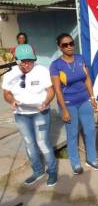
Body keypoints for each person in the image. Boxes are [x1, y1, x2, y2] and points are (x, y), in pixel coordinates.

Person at [2, 44, 58, 186]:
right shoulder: (10, 74)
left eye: (30, 61)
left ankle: (52, 172)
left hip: (40, 112)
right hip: (21, 115)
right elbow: (6, 94)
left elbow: (51, 90)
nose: (27, 64)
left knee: (42, 143)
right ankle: (38, 171)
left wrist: (46, 102)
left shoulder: (42, 71)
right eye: (24, 61)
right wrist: (12, 101)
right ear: (17, 60)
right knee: (29, 144)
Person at [50, 33, 98, 175]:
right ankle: (75, 163)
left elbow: (87, 79)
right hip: (68, 103)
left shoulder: (80, 59)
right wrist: (64, 109)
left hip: (84, 100)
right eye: (65, 45)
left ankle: (92, 159)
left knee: (90, 131)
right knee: (72, 134)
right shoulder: (56, 65)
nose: (69, 47)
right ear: (59, 47)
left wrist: (92, 97)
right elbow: (57, 89)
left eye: (71, 43)